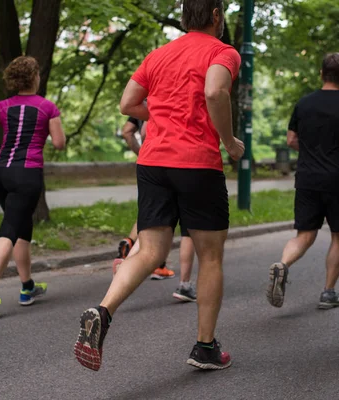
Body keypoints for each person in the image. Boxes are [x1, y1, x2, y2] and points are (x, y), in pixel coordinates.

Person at [74, 0, 244, 371]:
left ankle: (103, 312)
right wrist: (229, 142)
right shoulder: (222, 51)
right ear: (216, 16)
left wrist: (165, 109)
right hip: (197, 163)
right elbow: (216, 92)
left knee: (149, 251)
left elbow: (127, 104)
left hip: (152, 162)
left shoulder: (159, 55)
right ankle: (205, 347)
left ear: (184, 18)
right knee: (210, 256)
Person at [0, 56, 66, 319]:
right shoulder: (47, 107)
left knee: (21, 226)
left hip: (0, 173)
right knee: (11, 228)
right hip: (27, 173)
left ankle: (27, 288)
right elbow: (58, 143)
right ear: (35, 77)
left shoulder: (1, 105)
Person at [266, 53, 339, 310]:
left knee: (304, 235)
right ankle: (328, 292)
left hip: (307, 177)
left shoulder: (304, 103)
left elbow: (291, 139)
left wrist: (309, 151)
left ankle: (283, 265)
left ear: (321, 73)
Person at [117, 116, 177, 280]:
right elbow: (145, 132)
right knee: (165, 215)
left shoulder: (142, 100)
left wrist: (142, 152)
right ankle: (159, 265)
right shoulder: (163, 97)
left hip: (147, 164)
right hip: (167, 160)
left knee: (149, 211)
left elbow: (127, 131)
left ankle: (130, 242)